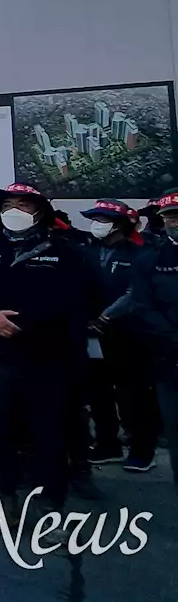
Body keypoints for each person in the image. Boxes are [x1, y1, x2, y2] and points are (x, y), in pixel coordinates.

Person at [0, 182, 100, 519]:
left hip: (49, 358)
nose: (15, 211)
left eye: (23, 204)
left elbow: (86, 299)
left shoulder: (67, 252)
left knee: (50, 432)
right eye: (8, 204)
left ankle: (53, 502)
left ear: (39, 211)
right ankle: (2, 496)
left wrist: (34, 322)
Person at [80, 199, 161, 473]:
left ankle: (141, 450)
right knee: (98, 392)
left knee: (134, 395)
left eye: (102, 219)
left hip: (129, 333)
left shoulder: (141, 253)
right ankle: (107, 444)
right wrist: (87, 319)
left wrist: (105, 317)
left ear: (119, 224)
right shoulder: (87, 252)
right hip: (92, 334)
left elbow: (135, 293)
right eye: (95, 219)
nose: (96, 224)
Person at [130, 188, 178, 489]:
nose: (176, 222)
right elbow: (142, 303)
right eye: (171, 217)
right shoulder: (151, 258)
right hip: (169, 358)